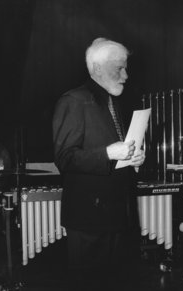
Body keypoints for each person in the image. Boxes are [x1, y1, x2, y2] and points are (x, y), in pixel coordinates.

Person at [52, 38, 145, 290]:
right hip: (89, 221)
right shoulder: (73, 101)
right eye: (119, 68)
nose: (126, 75)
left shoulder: (115, 101)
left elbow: (117, 154)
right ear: (97, 68)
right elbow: (64, 158)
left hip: (119, 216)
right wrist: (108, 153)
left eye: (126, 68)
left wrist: (133, 159)